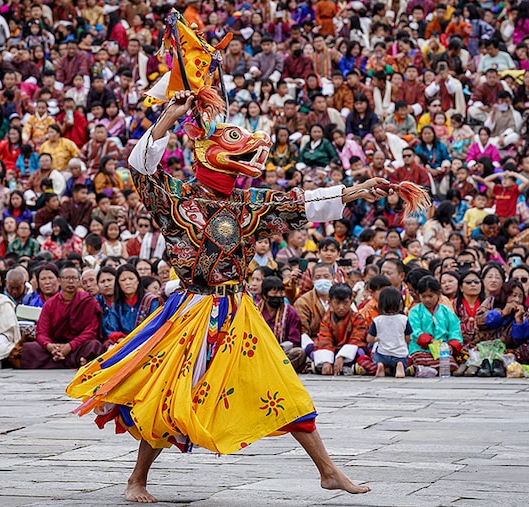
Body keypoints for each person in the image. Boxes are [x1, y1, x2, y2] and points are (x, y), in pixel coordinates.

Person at [65, 89, 400, 502]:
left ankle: (328, 471)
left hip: (239, 311)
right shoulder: (173, 197)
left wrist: (355, 190)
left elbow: (298, 203)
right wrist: (172, 115)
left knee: (283, 386)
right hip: (189, 311)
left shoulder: (247, 204)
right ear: (205, 151)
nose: (251, 154)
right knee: (169, 396)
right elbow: (140, 167)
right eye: (233, 144)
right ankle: (137, 479)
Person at [21, 266, 103, 369]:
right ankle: (77, 361)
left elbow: (91, 331)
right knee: (29, 348)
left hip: (77, 346)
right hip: (55, 346)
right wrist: (50, 346)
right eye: (67, 278)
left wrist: (70, 346)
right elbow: (41, 332)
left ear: (79, 282)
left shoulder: (88, 301)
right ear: (59, 281)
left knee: (94, 345)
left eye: (74, 278)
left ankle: (59, 361)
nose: (70, 281)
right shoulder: (50, 304)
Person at [407, 276, 463, 372]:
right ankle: (422, 368)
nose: (427, 300)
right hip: (421, 349)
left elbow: (455, 329)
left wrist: (451, 345)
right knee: (420, 358)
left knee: (450, 365)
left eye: (430, 296)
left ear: (438, 294)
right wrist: (429, 341)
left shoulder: (446, 311)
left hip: (442, 349)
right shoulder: (415, 311)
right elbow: (414, 330)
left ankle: (422, 369)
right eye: (423, 296)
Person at [312, 283, 367, 376]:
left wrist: (342, 356)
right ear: (329, 302)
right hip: (333, 351)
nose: (341, 307)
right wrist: (326, 361)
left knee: (360, 352)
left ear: (351, 301)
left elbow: (357, 339)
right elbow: (325, 339)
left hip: (349, 352)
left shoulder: (357, 318)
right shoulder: (327, 319)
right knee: (311, 348)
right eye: (337, 303)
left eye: (345, 303)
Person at [366, 286, 410, 378]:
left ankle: (380, 365)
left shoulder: (377, 320)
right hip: (400, 354)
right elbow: (407, 338)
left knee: (375, 356)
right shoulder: (404, 319)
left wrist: (379, 338)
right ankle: (400, 366)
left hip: (383, 354)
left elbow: (369, 339)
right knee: (406, 359)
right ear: (400, 304)